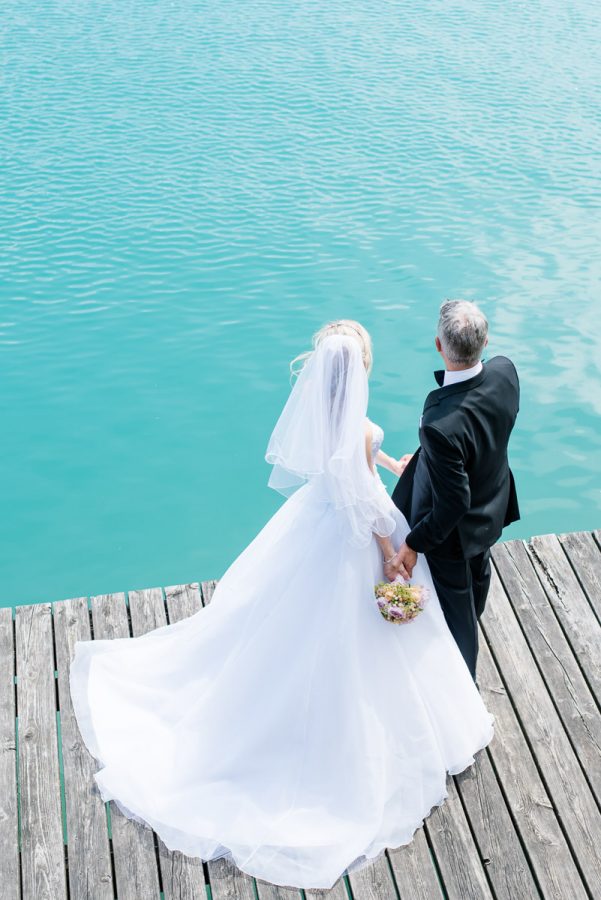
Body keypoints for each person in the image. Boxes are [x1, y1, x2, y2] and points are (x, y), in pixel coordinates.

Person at [69, 319, 495, 892]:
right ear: (360, 369)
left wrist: (390, 464)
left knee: (281, 630)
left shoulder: (323, 415)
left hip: (312, 526)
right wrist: (394, 551)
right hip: (354, 535)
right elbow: (364, 503)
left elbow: (355, 464)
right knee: (362, 642)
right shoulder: (356, 431)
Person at [388, 300, 520, 680]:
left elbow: (453, 502)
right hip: (492, 508)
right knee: (477, 584)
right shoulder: (505, 372)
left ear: (439, 346)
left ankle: (465, 689)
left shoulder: (440, 423)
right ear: (486, 341)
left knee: (458, 617)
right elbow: (486, 432)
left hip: (454, 535)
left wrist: (413, 543)